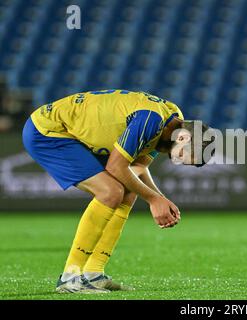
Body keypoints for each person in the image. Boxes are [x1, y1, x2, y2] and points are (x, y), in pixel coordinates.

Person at [22, 89, 215, 293]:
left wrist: (159, 198)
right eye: (185, 155)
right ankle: (70, 277)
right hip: (48, 131)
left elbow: (136, 168)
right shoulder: (152, 120)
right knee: (110, 192)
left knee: (128, 191)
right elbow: (117, 167)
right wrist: (153, 200)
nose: (179, 161)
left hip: (73, 133)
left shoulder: (171, 120)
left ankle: (93, 273)